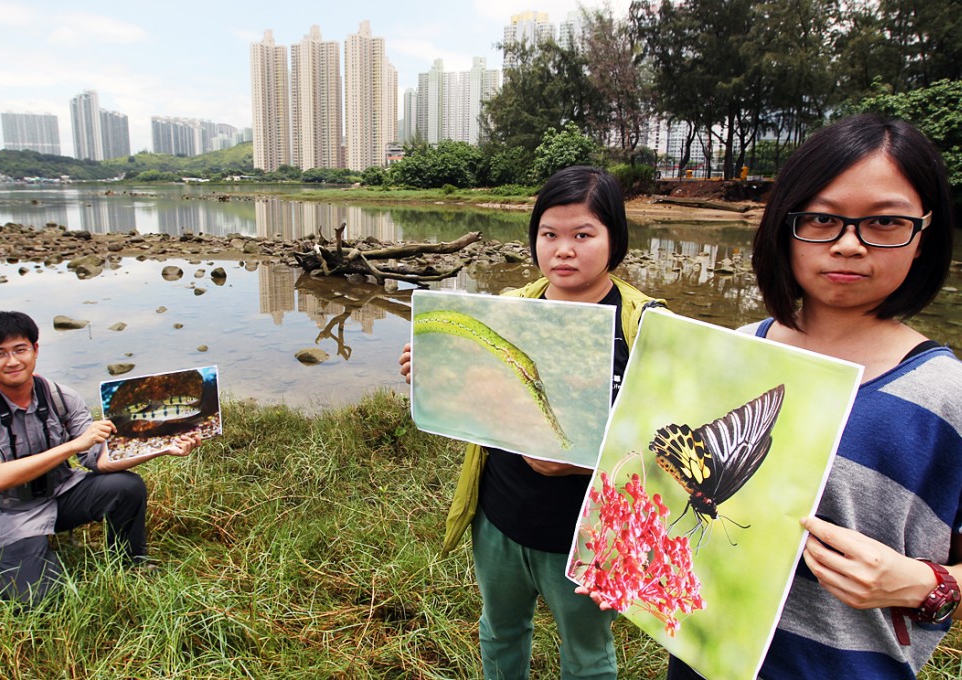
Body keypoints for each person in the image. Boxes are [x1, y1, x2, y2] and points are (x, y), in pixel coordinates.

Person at [642, 114, 961, 678]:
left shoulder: (947, 396)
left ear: (925, 232)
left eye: (885, 222)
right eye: (820, 219)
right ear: (784, 226)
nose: (847, 246)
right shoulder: (735, 351)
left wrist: (924, 583)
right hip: (699, 660)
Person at [400, 166, 665, 679]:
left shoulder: (647, 327)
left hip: (586, 533)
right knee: (500, 629)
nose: (563, 249)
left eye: (582, 235)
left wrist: (581, 466)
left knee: (586, 650)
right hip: (499, 516)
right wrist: (430, 370)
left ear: (616, 240)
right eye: (549, 235)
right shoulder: (508, 310)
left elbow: (659, 443)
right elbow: (478, 392)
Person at [0, 310, 202, 605]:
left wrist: (163, 447)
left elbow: (100, 460)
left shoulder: (60, 396)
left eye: (20, 349)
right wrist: (71, 446)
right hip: (8, 513)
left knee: (125, 486)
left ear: (35, 350)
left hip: (60, 493)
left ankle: (131, 563)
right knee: (40, 602)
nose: (13, 361)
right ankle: (25, 556)